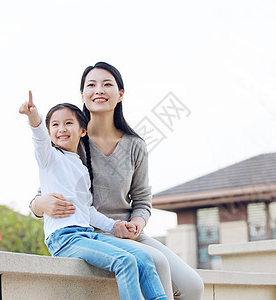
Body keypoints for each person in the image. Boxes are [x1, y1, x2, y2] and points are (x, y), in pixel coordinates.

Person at [30, 62, 204, 299]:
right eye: (91, 85)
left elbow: (142, 200)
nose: (98, 90)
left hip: (128, 233)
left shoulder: (135, 145)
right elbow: (44, 192)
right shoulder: (71, 141)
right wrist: (39, 205)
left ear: (120, 93)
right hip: (90, 232)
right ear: (83, 94)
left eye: (107, 84)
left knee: (193, 286)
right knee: (157, 263)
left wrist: (136, 225)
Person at [19, 92, 167, 300]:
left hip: (86, 234)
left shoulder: (81, 167)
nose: (61, 129)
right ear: (49, 131)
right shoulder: (49, 158)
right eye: (55, 125)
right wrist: (33, 116)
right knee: (124, 261)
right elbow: (39, 137)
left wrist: (114, 226)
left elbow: (87, 210)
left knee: (143, 257)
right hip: (63, 239)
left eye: (68, 123)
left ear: (82, 130)